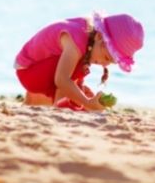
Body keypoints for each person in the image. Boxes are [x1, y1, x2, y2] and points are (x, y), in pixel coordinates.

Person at [14, 12, 144, 111]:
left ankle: (46, 102)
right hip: (29, 71)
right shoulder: (76, 41)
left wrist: (80, 91)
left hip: (38, 69)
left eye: (111, 62)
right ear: (99, 37)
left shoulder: (87, 37)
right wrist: (87, 102)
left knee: (76, 85)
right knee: (74, 72)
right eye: (106, 58)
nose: (105, 65)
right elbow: (61, 79)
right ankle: (59, 107)